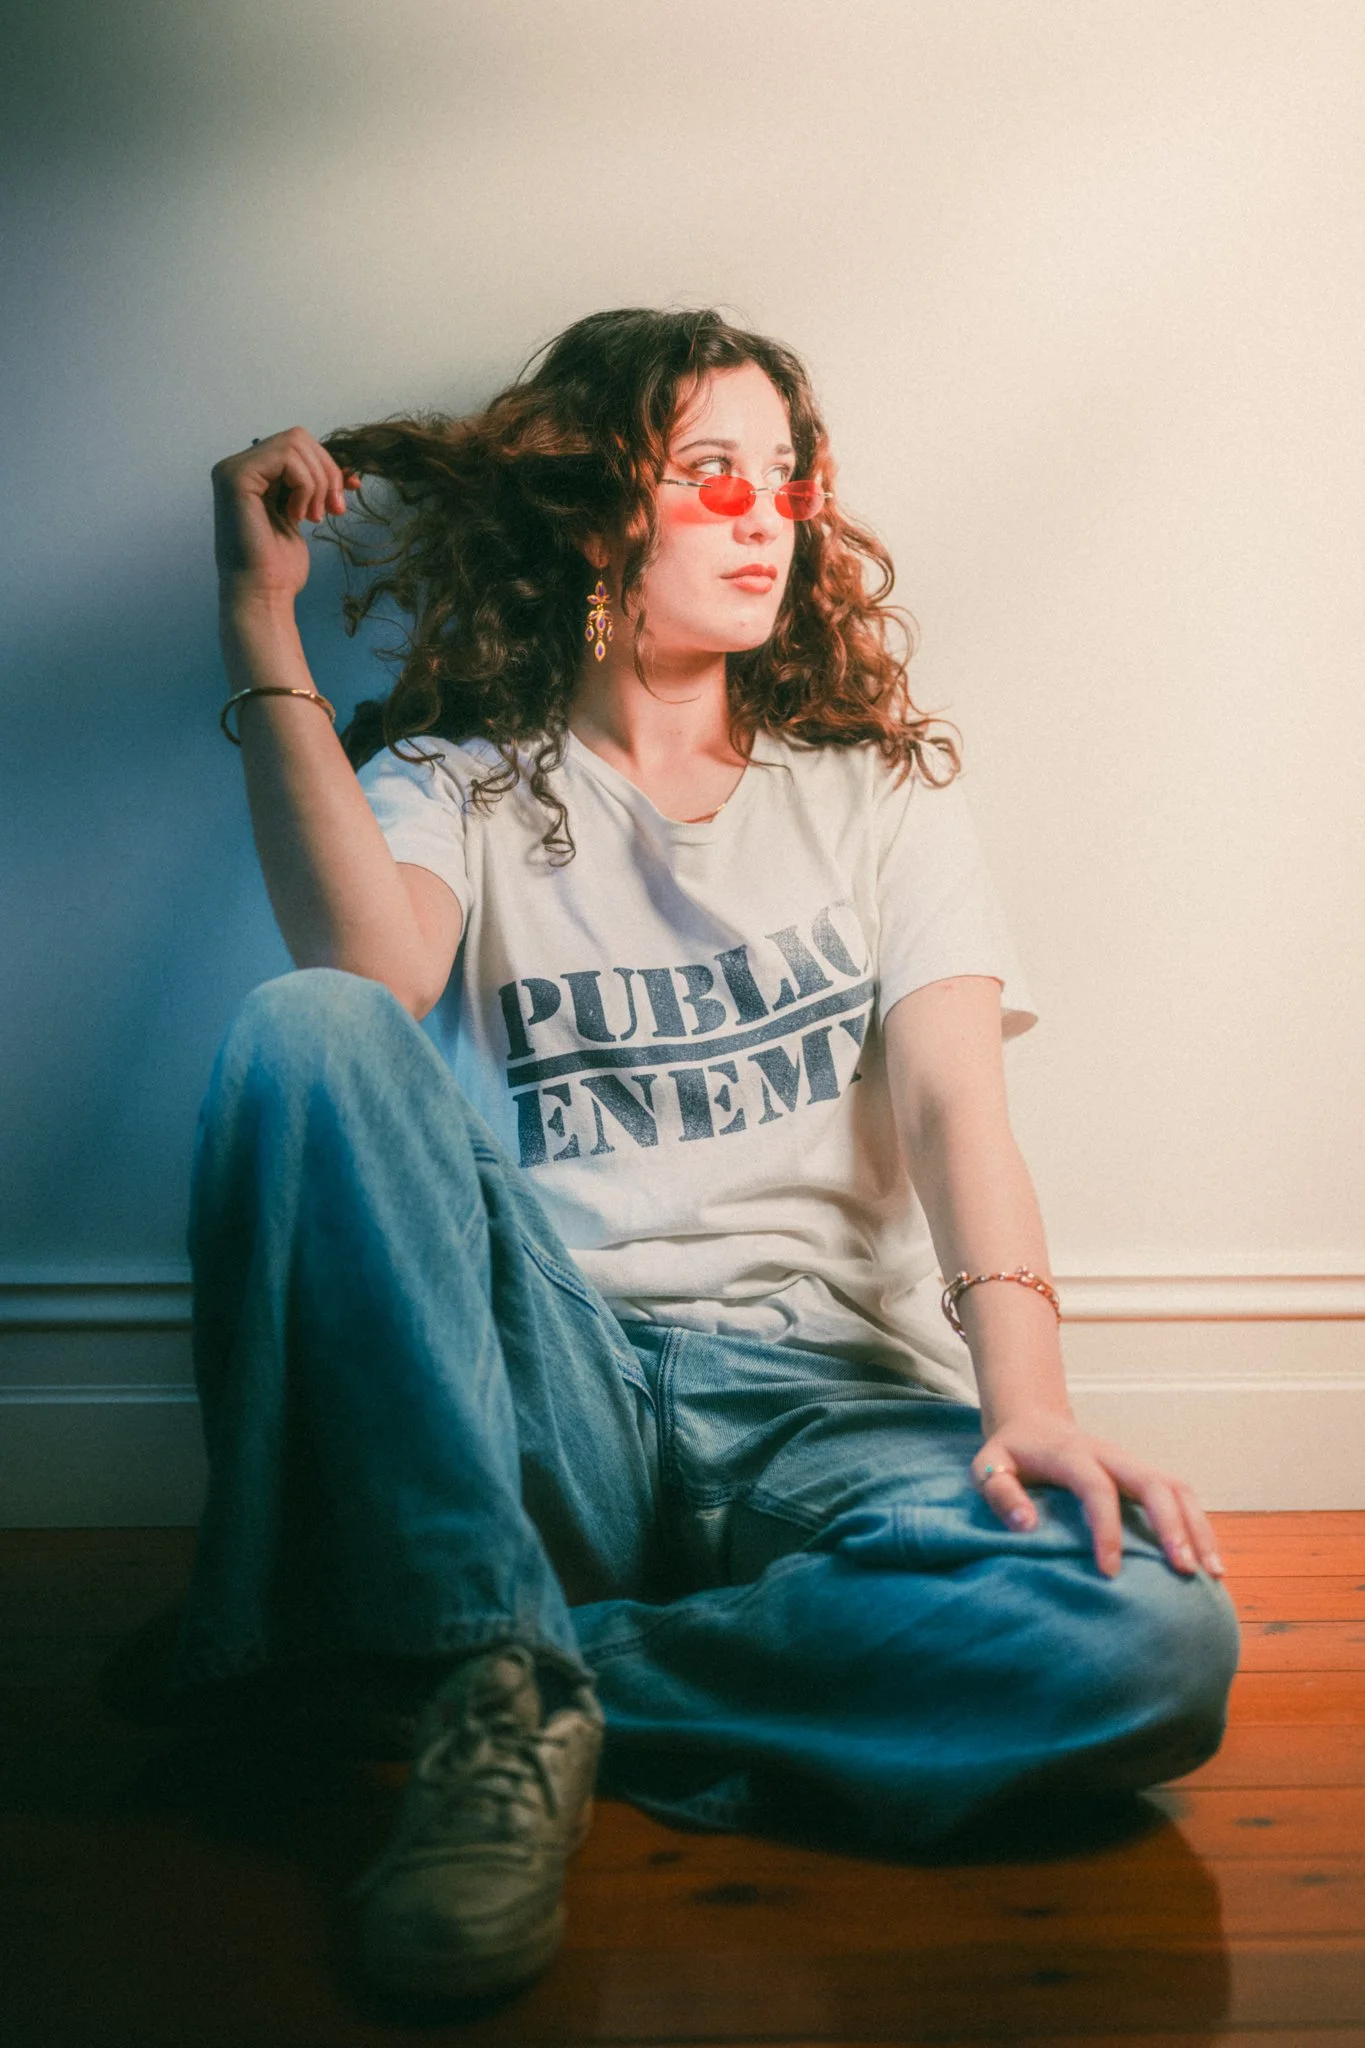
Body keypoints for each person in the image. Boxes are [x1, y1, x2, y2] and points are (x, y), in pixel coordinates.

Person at [179, 307, 1239, 2005]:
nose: (768, 518)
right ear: (602, 514)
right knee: (303, 1033)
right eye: (711, 475)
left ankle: (474, 1670)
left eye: (786, 480)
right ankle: (480, 1649)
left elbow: (958, 1109)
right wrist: (258, 619)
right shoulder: (465, 781)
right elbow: (364, 978)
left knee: (1150, 1639)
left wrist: (1029, 1403)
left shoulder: (875, 795)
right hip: (562, 1385)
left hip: (820, 1400)